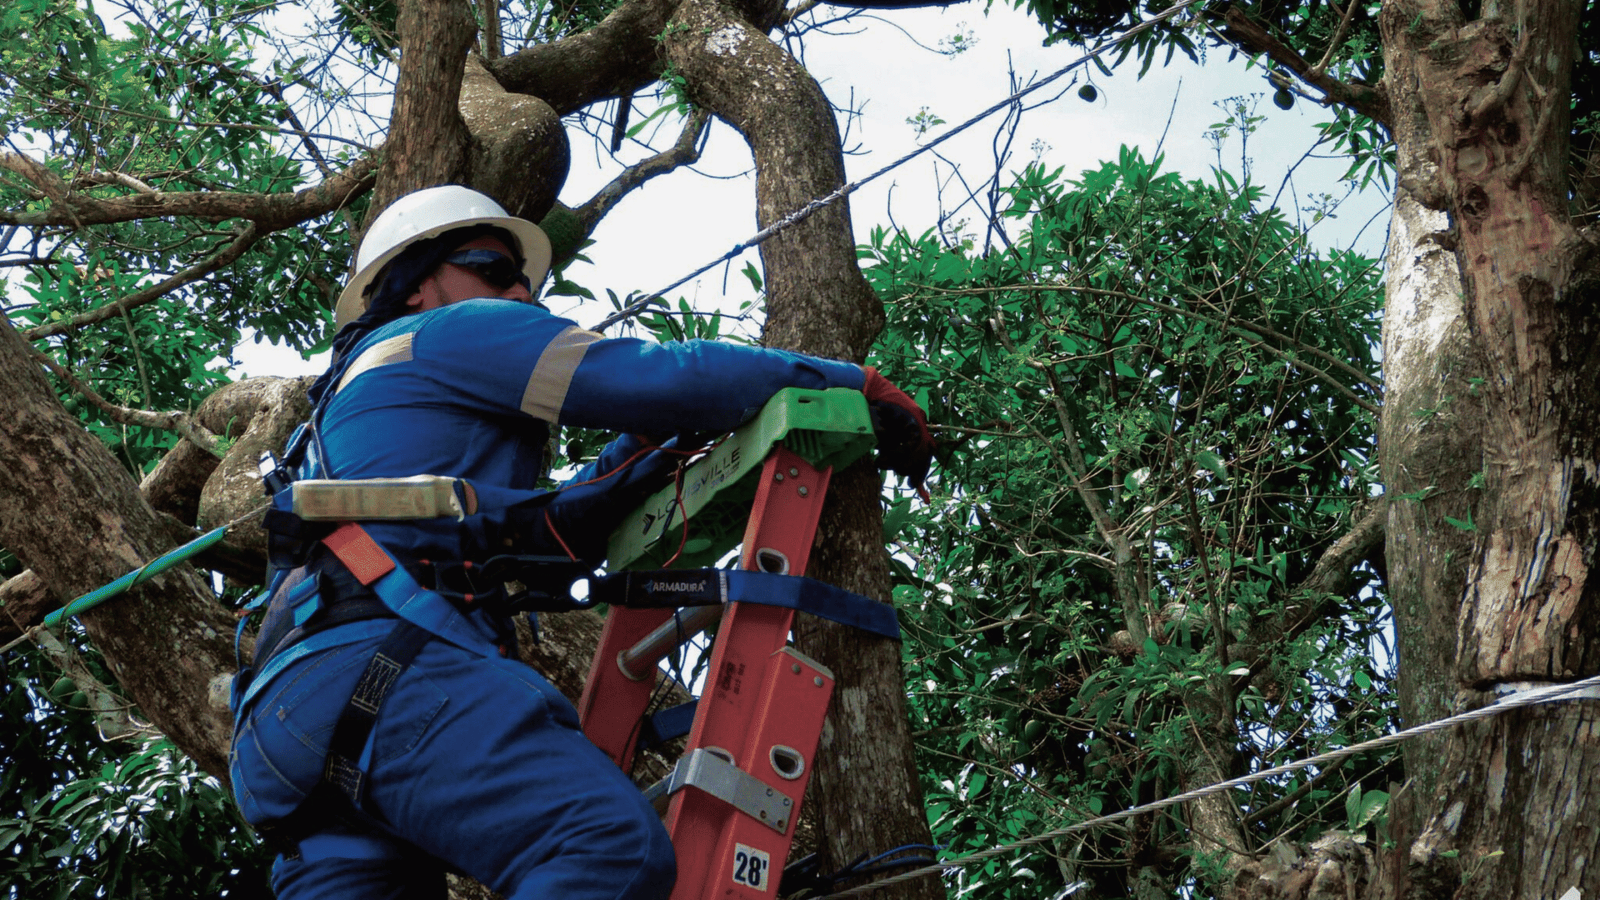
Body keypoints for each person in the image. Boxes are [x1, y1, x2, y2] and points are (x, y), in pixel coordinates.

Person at [228, 184, 934, 900]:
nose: (519, 292)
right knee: (607, 848)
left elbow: (547, 538)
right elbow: (663, 377)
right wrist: (855, 382)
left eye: (526, 280)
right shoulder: (447, 332)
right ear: (413, 285)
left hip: (285, 732)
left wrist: (641, 453)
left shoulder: (349, 418)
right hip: (387, 669)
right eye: (492, 268)